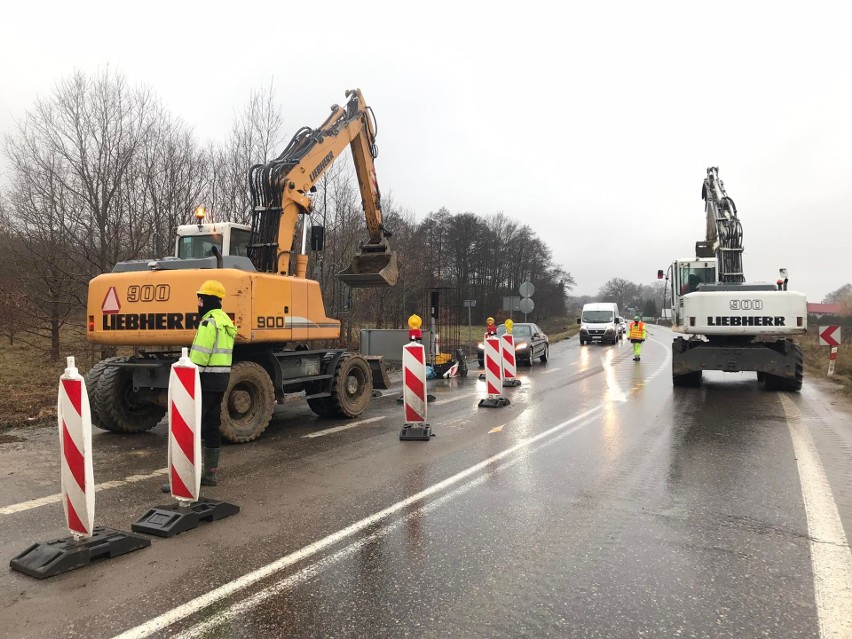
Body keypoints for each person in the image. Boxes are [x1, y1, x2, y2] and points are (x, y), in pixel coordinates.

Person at [190, 279, 237, 486]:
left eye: (200, 300)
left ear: (208, 300)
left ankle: (186, 477)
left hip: (205, 380)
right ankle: (210, 474)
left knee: (191, 426)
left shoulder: (209, 324)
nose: (198, 304)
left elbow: (199, 358)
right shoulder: (226, 322)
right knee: (211, 425)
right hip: (220, 380)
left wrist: (188, 377)